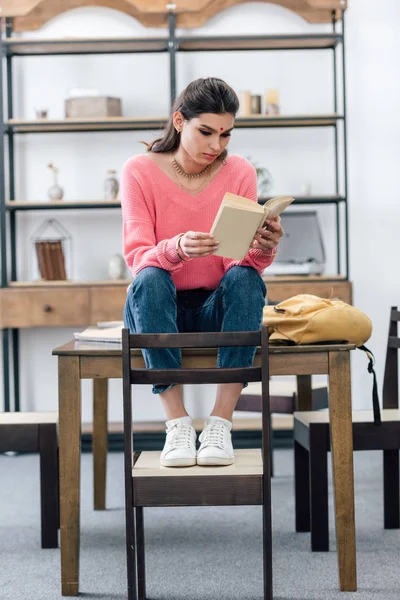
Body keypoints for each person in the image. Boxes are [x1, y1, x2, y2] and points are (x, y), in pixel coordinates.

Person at [121, 77, 284, 468]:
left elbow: (236, 263)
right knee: (150, 278)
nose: (217, 146)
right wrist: (176, 249)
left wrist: (263, 247)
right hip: (159, 303)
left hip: (215, 304)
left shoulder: (240, 171)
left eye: (226, 134)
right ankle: (176, 424)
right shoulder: (138, 171)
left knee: (247, 279)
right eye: (206, 132)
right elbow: (137, 256)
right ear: (179, 121)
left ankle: (220, 424)